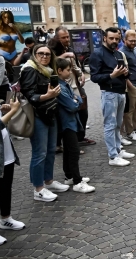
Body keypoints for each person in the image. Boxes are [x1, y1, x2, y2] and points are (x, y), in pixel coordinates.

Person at [19, 44, 70, 201]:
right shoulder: (29, 69)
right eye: (40, 53)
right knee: (39, 153)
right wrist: (46, 96)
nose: (44, 56)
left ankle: (48, 181)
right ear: (34, 55)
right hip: (38, 115)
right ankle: (38, 188)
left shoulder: (49, 70)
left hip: (50, 113)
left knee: (49, 150)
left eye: (47, 54)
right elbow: (28, 94)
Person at [89, 27, 135, 166]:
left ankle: (118, 149)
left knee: (117, 124)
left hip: (121, 91)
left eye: (117, 38)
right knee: (110, 125)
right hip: (109, 93)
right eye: (111, 38)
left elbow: (123, 73)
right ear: (104, 38)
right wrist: (111, 76)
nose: (114, 41)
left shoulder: (117, 53)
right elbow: (94, 77)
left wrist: (125, 73)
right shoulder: (97, 54)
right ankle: (113, 156)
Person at [0, 88, 24, 245]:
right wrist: (13, 111)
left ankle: (6, 218)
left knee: (5, 186)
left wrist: (3, 110)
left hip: (5, 151)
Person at [55, 58, 95, 193]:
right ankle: (77, 181)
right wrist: (75, 101)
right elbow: (73, 105)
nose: (69, 72)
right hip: (67, 123)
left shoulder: (64, 84)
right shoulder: (59, 86)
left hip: (69, 122)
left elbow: (75, 98)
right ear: (59, 71)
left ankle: (69, 176)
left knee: (68, 150)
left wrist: (75, 100)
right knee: (73, 151)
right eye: (67, 70)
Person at [54, 27, 96, 148]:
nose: (67, 39)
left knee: (83, 111)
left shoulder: (70, 48)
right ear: (57, 38)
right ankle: (64, 143)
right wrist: (65, 55)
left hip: (76, 84)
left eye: (67, 37)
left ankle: (80, 137)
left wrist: (82, 74)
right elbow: (49, 62)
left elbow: (76, 66)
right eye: (63, 37)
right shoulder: (52, 50)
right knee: (68, 115)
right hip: (64, 86)